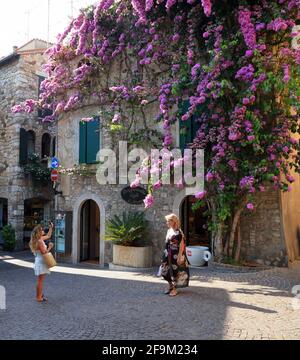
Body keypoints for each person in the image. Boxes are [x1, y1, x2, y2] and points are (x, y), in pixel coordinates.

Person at [161, 214, 189, 297]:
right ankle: (170, 286)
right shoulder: (169, 230)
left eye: (169, 221)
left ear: (174, 222)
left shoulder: (179, 232)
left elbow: (182, 245)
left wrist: (180, 256)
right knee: (164, 271)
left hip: (175, 255)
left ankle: (174, 289)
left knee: (176, 272)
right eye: (167, 221)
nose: (167, 222)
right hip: (167, 254)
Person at [29, 223, 54, 302]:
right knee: (40, 281)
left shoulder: (39, 239)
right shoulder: (39, 241)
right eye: (42, 230)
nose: (43, 230)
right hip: (41, 262)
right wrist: (50, 246)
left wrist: (51, 228)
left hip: (39, 261)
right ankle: (39, 297)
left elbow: (48, 236)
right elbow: (44, 252)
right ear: (39, 232)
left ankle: (39, 295)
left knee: (40, 280)